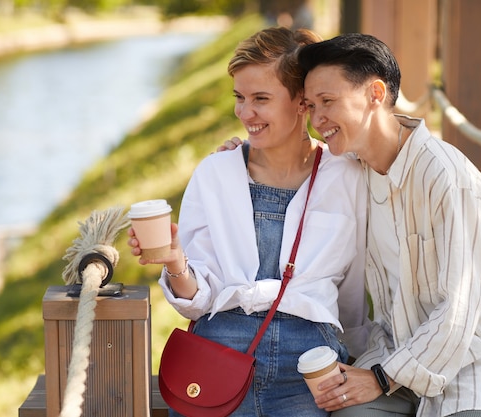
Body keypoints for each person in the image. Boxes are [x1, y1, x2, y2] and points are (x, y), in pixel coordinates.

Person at [128, 27, 371, 417]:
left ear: (302, 104)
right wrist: (175, 262)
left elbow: (354, 293)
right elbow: (197, 301)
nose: (245, 113)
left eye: (261, 99)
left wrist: (363, 362)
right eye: (239, 98)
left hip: (309, 368)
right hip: (217, 357)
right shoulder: (215, 173)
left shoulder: (346, 176)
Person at [294, 33, 481, 416]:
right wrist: (239, 155)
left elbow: (459, 309)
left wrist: (381, 378)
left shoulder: (446, 177)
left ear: (375, 94)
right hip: (392, 352)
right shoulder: (353, 166)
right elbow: (291, 164)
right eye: (310, 106)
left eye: (328, 102)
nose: (317, 119)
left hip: (468, 363)